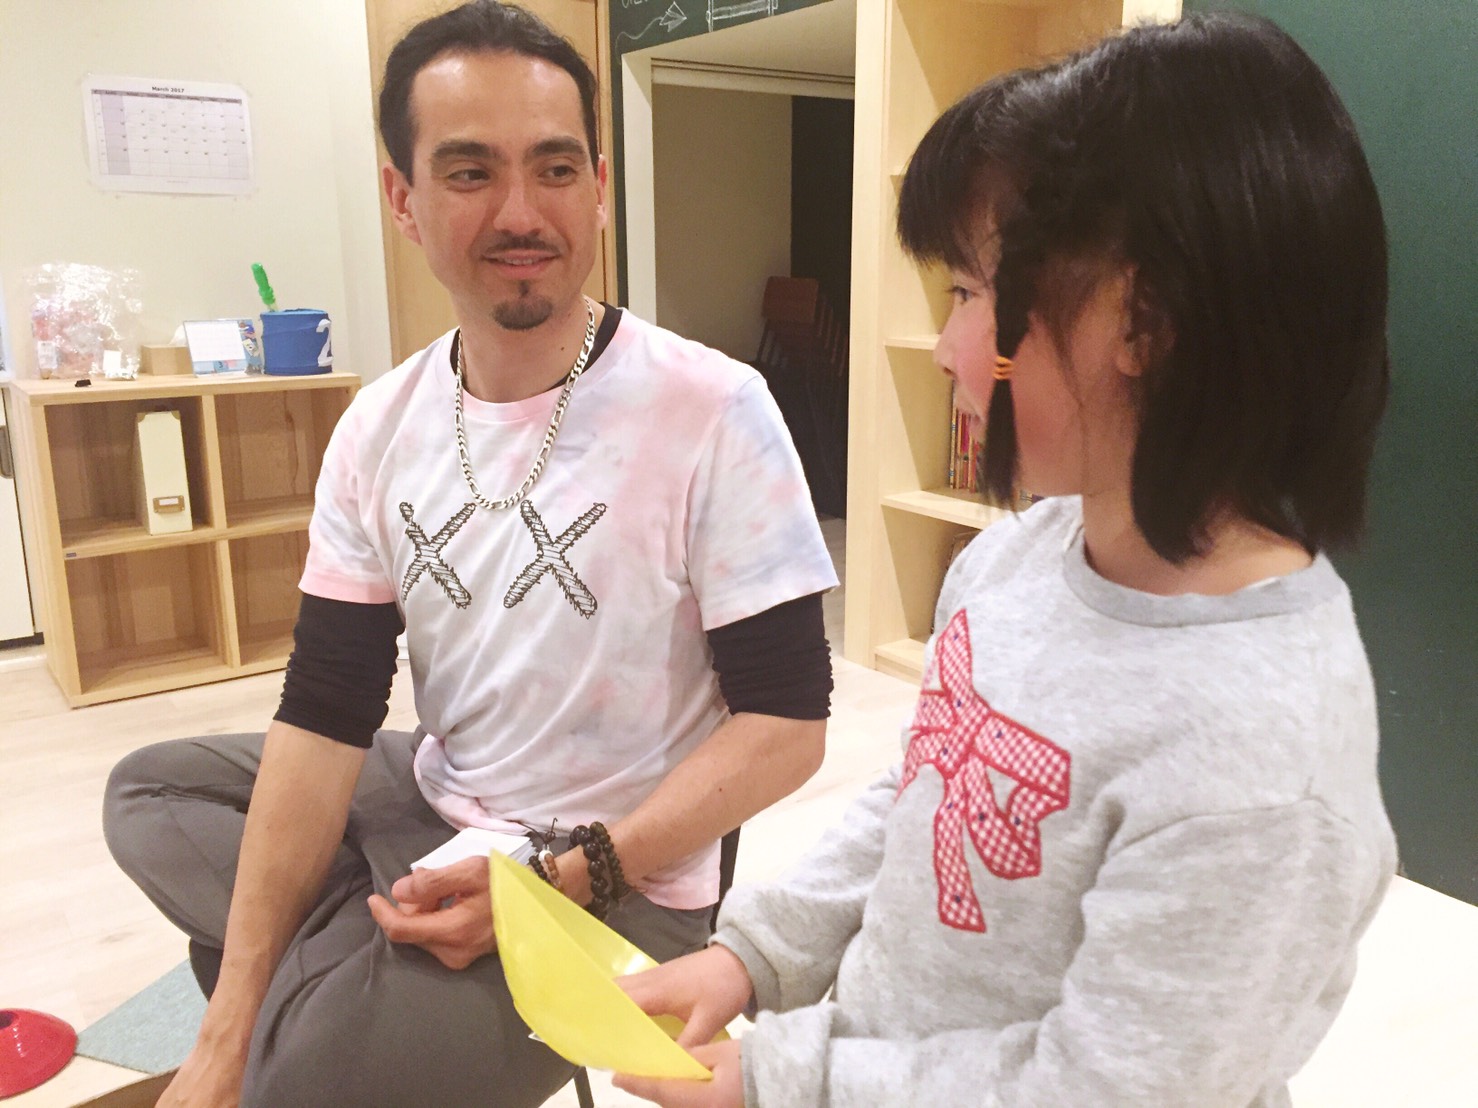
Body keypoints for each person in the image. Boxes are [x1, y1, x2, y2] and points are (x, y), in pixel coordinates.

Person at [612, 12, 1396, 1107]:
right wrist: (754, 955)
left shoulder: (1261, 768)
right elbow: (920, 790)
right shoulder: (1022, 554)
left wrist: (785, 1079)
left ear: (1144, 321)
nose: (947, 348)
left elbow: (1103, 1090)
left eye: (972, 295)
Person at [102, 3, 837, 1106]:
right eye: (468, 172)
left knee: (294, 1085)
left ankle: (350, 967)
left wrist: (557, 876)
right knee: (151, 792)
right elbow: (326, 709)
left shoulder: (715, 409)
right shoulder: (378, 424)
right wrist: (226, 1022)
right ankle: (358, 953)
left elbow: (787, 728)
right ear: (402, 197)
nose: (520, 212)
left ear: (599, 186)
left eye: (554, 169)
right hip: (441, 796)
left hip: (617, 872)